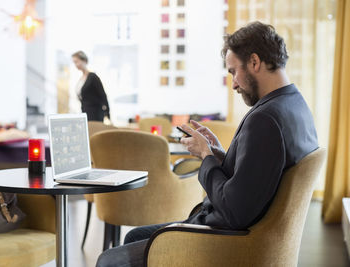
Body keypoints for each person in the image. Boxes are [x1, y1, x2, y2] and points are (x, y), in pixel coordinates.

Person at [96, 21, 318, 267]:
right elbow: (258, 177)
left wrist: (205, 156)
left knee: (109, 260)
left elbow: (236, 212)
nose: (233, 83)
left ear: (255, 62)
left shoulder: (265, 119)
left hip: (221, 241)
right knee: (133, 236)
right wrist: (220, 155)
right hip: (240, 231)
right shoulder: (294, 106)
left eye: (234, 71)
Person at [72, 51, 110, 121]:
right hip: (85, 113)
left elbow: (103, 95)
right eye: (74, 62)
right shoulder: (81, 79)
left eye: (77, 62)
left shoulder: (93, 77)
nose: (76, 65)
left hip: (95, 114)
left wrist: (107, 114)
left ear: (84, 61)